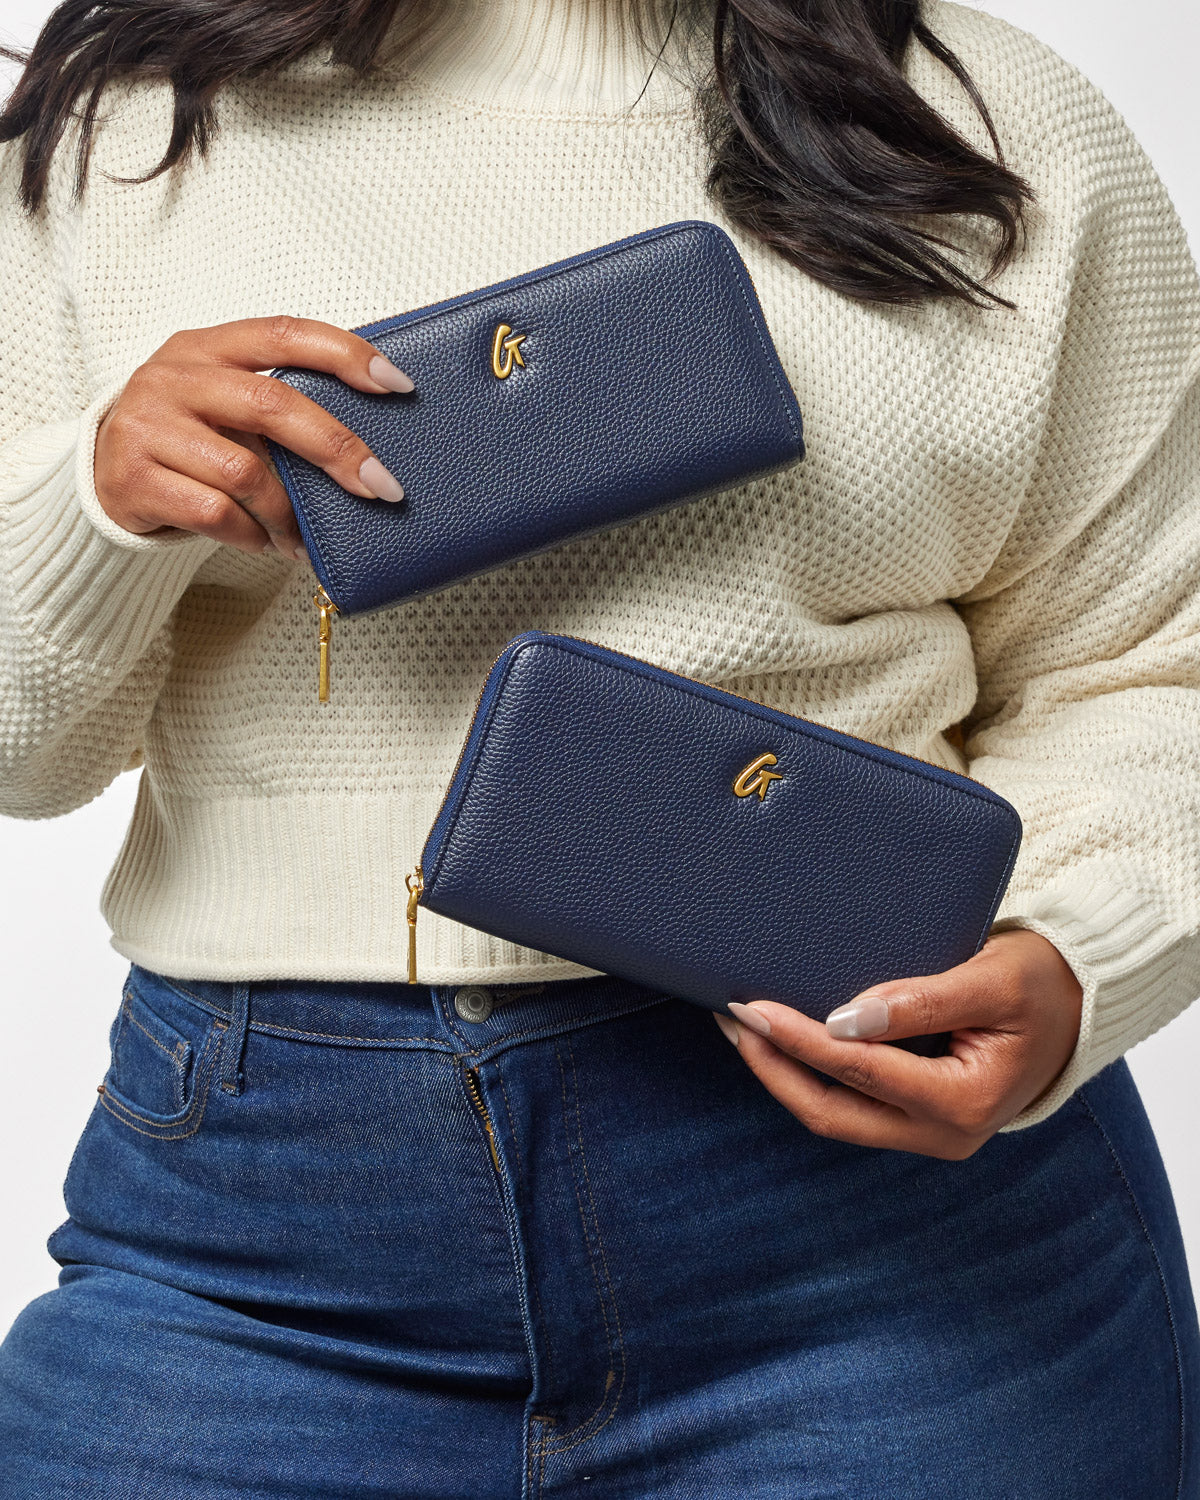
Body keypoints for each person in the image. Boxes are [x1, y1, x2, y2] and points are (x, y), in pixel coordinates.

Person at [1, 0, 1197, 1492]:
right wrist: (99, 506)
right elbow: (21, 752)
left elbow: (1161, 661)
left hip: (885, 1218)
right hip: (256, 1230)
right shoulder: (134, 122)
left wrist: (1083, 950)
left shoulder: (997, 122)